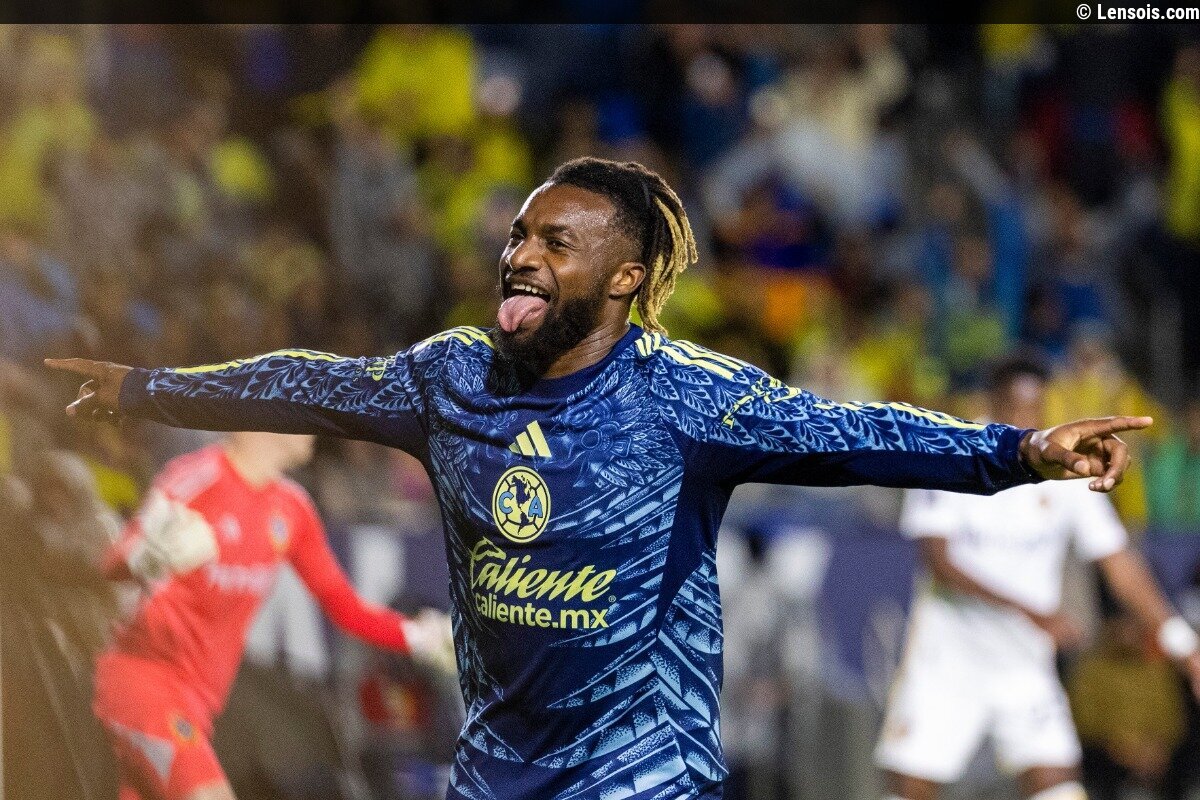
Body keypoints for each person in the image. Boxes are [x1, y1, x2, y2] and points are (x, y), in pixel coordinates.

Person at [49, 157, 1150, 800]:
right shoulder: (451, 379)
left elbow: (855, 431)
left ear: (625, 277)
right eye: (519, 234)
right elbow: (308, 383)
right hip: (495, 767)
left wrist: (1018, 452)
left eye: (556, 243)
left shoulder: (686, 397)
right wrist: (146, 387)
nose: (521, 254)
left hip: (641, 769)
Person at [874, 356, 1200, 800]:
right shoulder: (952, 455)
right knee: (909, 790)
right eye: (1015, 406)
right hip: (948, 659)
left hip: (1024, 664)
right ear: (992, 403)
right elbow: (940, 563)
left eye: (1034, 407)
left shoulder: (1063, 468)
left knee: (1056, 786)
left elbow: (1120, 565)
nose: (1025, 418)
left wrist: (1183, 644)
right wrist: (1033, 613)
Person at [89, 431, 452, 800]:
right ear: (259, 420)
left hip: (199, 706)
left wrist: (425, 637)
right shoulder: (198, 478)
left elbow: (345, 607)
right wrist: (149, 556)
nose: (311, 421)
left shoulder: (292, 508)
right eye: (294, 409)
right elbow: (113, 562)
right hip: (144, 683)